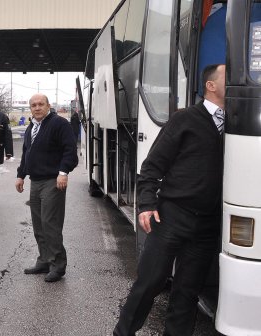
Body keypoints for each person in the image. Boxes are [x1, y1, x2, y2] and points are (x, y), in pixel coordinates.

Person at [113, 64, 226, 336]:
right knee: (149, 283)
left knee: (187, 293)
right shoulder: (185, 119)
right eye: (228, 76)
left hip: (207, 225)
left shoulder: (238, 124)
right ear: (210, 85)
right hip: (172, 217)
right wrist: (148, 204)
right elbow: (152, 166)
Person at [15, 93, 78, 283]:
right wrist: (20, 175)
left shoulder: (59, 124)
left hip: (53, 180)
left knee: (51, 224)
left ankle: (58, 265)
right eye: (33, 105)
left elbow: (70, 150)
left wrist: (63, 172)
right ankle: (44, 260)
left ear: (48, 105)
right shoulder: (31, 127)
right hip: (36, 181)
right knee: (39, 224)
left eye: (40, 104)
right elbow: (26, 153)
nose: (37, 107)